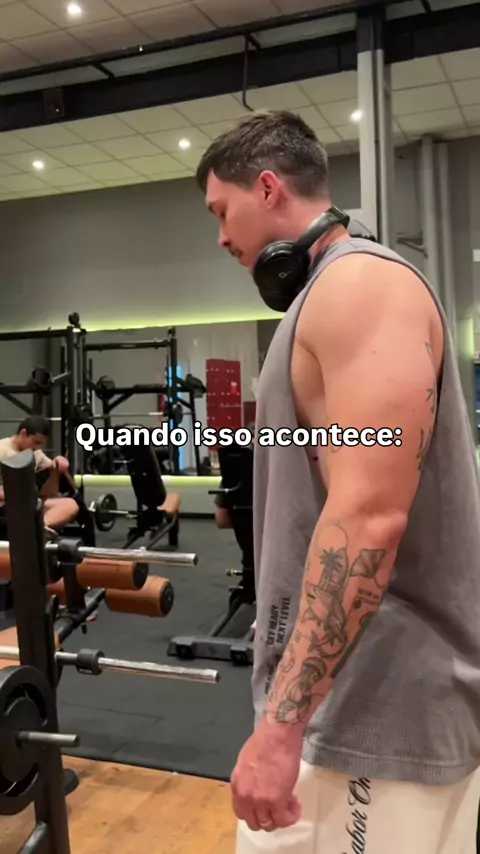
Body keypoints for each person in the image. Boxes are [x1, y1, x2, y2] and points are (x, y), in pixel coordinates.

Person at [196, 110, 480, 853]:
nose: (221, 237)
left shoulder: (357, 287)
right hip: (345, 707)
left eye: (222, 211)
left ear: (268, 188)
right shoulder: (331, 293)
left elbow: (368, 520)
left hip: (374, 718)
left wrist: (279, 729)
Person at [0, 415, 78, 531]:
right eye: (36, 442)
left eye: (41, 444)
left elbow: (51, 472)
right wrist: (12, 495)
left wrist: (59, 463)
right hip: (5, 505)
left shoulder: (34, 452)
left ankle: (42, 530)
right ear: (23, 433)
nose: (37, 447)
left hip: (27, 504)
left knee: (70, 505)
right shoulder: (2, 450)